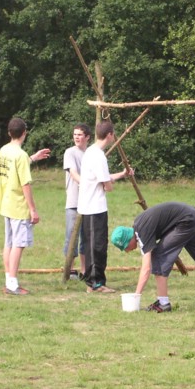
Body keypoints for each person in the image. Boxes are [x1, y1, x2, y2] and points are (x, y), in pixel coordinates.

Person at [111, 202, 195, 313]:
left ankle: (163, 303)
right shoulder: (139, 225)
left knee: (158, 256)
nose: (127, 251)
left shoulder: (141, 231)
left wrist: (136, 295)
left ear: (129, 238)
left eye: (126, 247)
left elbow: (146, 268)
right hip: (193, 216)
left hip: (186, 221)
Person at [77, 121, 132, 293]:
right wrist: (109, 186)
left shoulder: (91, 152)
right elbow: (106, 184)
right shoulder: (98, 156)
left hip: (91, 206)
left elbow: (102, 177)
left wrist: (122, 174)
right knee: (96, 246)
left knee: (93, 245)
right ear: (110, 135)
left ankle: (93, 282)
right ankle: (96, 284)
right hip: (94, 207)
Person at [0, 117, 47, 295]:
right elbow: (25, 184)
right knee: (18, 244)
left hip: (6, 203)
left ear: (9, 132)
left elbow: (15, 167)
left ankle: (8, 279)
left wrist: (33, 158)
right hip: (18, 207)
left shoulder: (4, 150)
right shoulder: (21, 155)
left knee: (9, 243)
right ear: (24, 133)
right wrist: (33, 209)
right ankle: (12, 284)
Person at [63, 123, 92, 279]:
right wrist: (85, 184)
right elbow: (73, 172)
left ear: (87, 137)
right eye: (75, 134)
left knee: (86, 237)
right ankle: (70, 269)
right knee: (71, 236)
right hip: (74, 201)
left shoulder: (91, 153)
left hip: (88, 202)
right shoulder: (70, 153)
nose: (76, 137)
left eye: (80, 134)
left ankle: (84, 270)